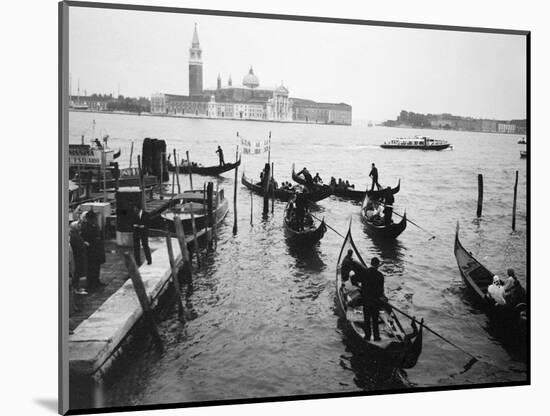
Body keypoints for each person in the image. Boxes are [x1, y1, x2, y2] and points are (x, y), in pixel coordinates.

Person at [357, 257, 386, 341]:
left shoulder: (365, 272)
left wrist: (362, 287)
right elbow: (381, 291)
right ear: (378, 265)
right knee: (375, 320)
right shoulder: (380, 275)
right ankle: (376, 337)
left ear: (371, 263)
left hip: (366, 300)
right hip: (375, 301)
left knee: (367, 319)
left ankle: (367, 337)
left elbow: (354, 278)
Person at [80, 210, 106, 290]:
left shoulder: (95, 225)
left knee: (97, 266)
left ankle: (96, 281)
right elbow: (85, 238)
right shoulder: (85, 226)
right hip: (91, 250)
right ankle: (91, 283)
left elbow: (99, 235)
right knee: (91, 267)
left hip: (97, 249)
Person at [69, 220, 88, 295]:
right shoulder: (74, 236)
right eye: (78, 225)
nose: (80, 226)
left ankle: (78, 287)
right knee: (77, 272)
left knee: (79, 272)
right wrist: (84, 245)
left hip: (80, 256)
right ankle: (76, 288)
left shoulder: (76, 234)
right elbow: (77, 247)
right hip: (78, 257)